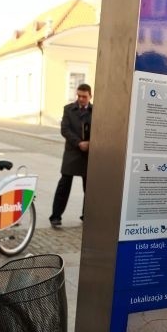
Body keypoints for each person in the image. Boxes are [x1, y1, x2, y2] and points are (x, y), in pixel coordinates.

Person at [49, 83, 92, 227]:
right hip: (72, 152)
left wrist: (90, 143)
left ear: (90, 96)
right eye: (79, 96)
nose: (81, 99)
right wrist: (79, 143)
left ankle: (88, 214)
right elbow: (65, 129)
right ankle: (56, 216)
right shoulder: (68, 109)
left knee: (90, 187)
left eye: (84, 96)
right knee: (64, 185)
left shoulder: (97, 111)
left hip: (89, 154)